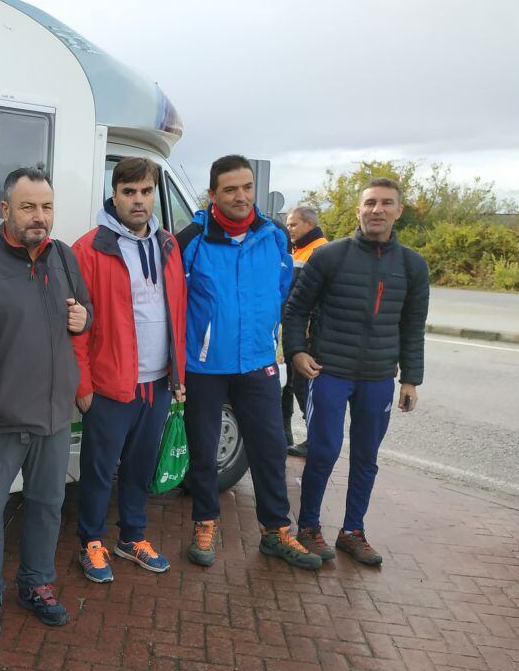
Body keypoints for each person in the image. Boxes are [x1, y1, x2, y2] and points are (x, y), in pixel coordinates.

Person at [0, 167, 92, 635]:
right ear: (5, 210)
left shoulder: (62, 257)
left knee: (46, 505)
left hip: (54, 420)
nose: (39, 217)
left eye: (46, 207)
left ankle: (36, 583)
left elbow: (84, 309)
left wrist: (84, 316)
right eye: (28, 207)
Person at [176, 155, 320, 571]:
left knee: (271, 448)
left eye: (247, 188)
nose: (241, 197)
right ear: (213, 195)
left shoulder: (274, 236)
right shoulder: (191, 240)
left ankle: (276, 531)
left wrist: (266, 336)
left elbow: (280, 291)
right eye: (230, 190)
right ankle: (205, 522)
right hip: (205, 366)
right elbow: (175, 302)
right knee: (204, 452)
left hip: (257, 362)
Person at [284, 178, 430, 566]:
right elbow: (295, 310)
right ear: (358, 210)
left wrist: (410, 379)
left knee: (366, 456)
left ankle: (352, 531)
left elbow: (413, 326)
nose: (377, 210)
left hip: (379, 377)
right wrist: (296, 352)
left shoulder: (413, 266)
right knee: (324, 450)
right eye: (369, 203)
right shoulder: (329, 256)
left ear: (399, 211)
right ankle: (309, 527)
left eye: (386, 204)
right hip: (329, 372)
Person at [70, 157, 186, 583]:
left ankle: (132, 536)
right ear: (114, 194)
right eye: (129, 192)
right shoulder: (90, 248)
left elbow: (179, 313)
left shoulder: (169, 246)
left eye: (146, 191)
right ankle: (91, 541)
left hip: (157, 383)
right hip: (109, 384)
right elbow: (76, 325)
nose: (139, 200)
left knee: (140, 466)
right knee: (100, 469)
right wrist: (82, 384)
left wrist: (179, 376)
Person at [283, 205, 328, 457]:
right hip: (292, 329)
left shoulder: (320, 250)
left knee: (304, 387)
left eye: (293, 224)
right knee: (288, 385)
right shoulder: (298, 249)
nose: (289, 229)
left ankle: (315, 441)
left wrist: (308, 328)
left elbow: (318, 296)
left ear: (309, 225)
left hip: (307, 333)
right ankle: (286, 435)